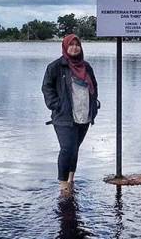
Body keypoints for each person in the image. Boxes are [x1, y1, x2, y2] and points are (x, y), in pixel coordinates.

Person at [42, 34, 99, 194]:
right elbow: (47, 88)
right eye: (71, 45)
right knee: (67, 148)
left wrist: (94, 105)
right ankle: (62, 185)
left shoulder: (86, 66)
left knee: (75, 148)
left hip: (84, 115)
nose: (74, 47)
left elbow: (94, 85)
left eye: (77, 45)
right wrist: (57, 105)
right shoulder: (56, 67)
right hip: (64, 116)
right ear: (65, 47)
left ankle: (71, 180)